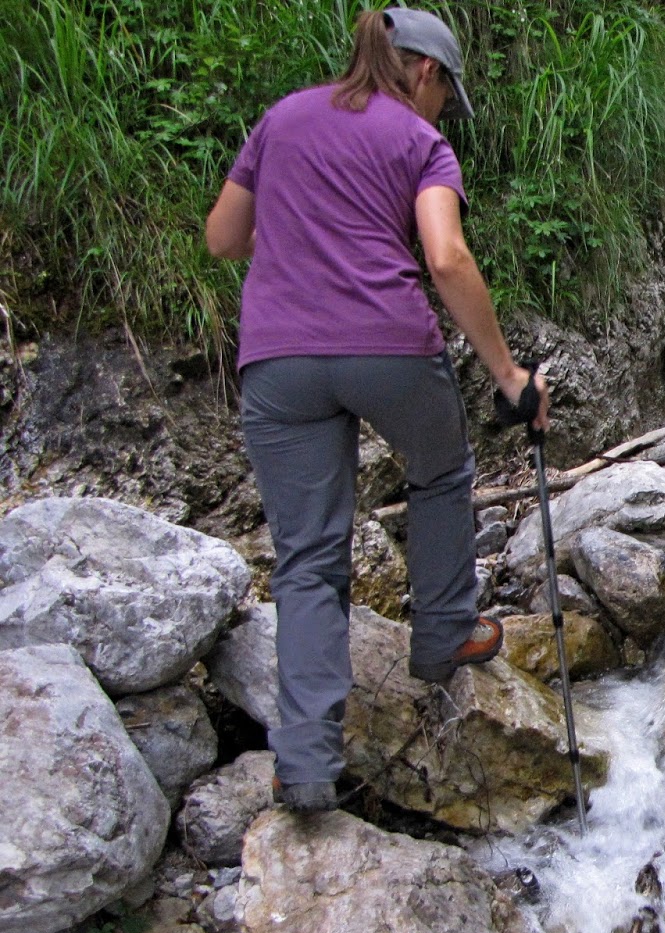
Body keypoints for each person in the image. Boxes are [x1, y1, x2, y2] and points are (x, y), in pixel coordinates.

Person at [205, 7, 547, 813]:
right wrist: (507, 374)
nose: (442, 111)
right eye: (445, 94)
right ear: (425, 71)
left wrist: (300, 239)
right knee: (440, 471)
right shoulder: (420, 142)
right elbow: (446, 256)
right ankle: (444, 634)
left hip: (280, 359)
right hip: (388, 347)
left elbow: (223, 237)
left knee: (308, 558)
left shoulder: (282, 119)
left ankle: (305, 764)